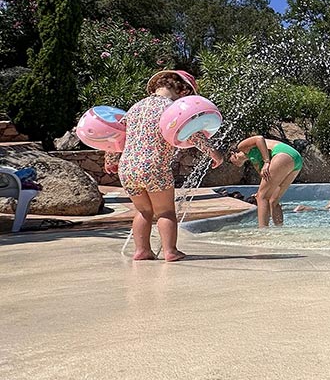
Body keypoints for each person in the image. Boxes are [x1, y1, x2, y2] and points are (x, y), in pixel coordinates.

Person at [104, 70, 224, 262]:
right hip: (154, 167)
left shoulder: (135, 107)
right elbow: (192, 132)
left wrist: (110, 159)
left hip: (127, 168)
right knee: (165, 211)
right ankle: (170, 251)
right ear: (183, 91)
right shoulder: (171, 109)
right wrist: (213, 153)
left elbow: (119, 135)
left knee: (143, 211)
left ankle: (142, 250)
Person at [229, 136, 304, 227]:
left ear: (233, 154)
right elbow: (267, 181)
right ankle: (280, 229)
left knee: (262, 197)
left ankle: (263, 231)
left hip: (282, 154)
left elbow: (259, 139)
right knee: (273, 200)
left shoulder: (241, 146)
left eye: (230, 161)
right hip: (296, 159)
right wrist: (260, 192)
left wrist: (266, 161)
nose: (232, 164)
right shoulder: (254, 160)